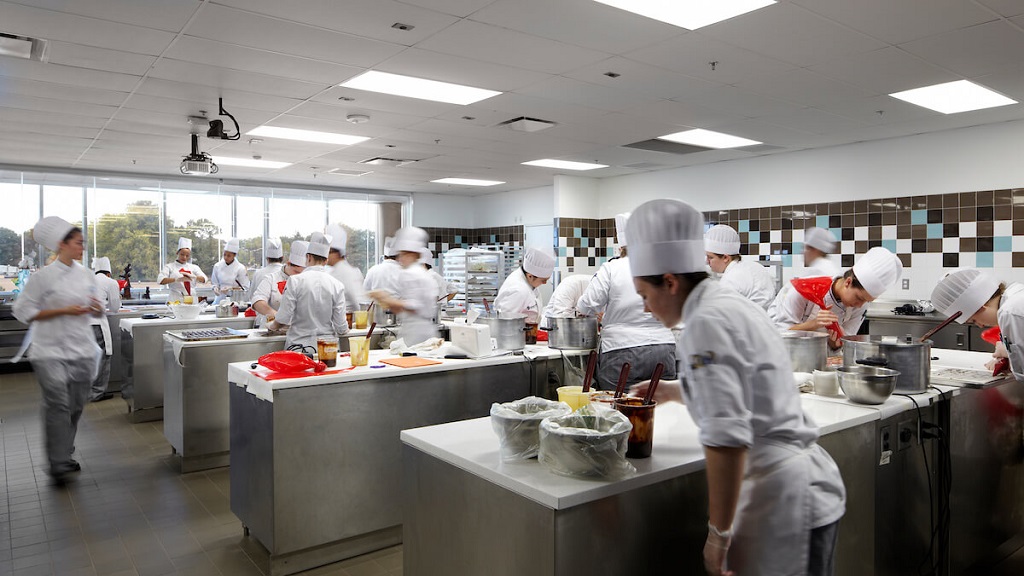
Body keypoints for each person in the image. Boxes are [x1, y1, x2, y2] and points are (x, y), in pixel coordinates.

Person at [626, 199, 845, 576]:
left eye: (645, 296)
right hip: (796, 490)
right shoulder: (722, 302)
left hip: (784, 500)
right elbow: (738, 388)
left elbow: (726, 438)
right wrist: (672, 391)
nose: (646, 308)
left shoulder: (705, 322)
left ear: (671, 282)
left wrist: (718, 535)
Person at [13, 217, 103, 483]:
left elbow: (96, 305)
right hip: (49, 350)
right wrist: (62, 310)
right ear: (62, 245)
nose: (82, 248)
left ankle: (64, 450)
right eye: (78, 243)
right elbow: (22, 310)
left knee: (75, 406)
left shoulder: (86, 275)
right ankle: (58, 462)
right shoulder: (43, 277)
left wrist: (96, 307)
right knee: (58, 405)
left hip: (81, 349)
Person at [576, 213, 676, 390]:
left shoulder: (612, 268)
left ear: (621, 244)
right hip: (663, 348)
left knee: (617, 409)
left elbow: (587, 305)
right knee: (660, 409)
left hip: (622, 350)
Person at [769, 247, 902, 350]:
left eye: (867, 301)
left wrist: (834, 344)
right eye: (859, 298)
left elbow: (844, 343)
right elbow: (776, 334)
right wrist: (813, 324)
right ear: (848, 282)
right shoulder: (803, 290)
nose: (860, 305)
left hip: (818, 361)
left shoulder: (860, 307)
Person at [930, 268, 1021, 378]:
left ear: (981, 307)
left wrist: (1009, 353)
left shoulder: (1009, 312)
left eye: (974, 320)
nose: (980, 325)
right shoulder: (1014, 294)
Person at [268, 234, 347, 351]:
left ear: (308, 257)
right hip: (327, 349)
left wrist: (271, 326)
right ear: (326, 261)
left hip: (299, 347)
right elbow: (341, 327)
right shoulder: (337, 285)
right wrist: (345, 329)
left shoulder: (295, 281)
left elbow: (283, 318)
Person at [367, 227, 440, 346]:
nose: (400, 259)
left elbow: (413, 305)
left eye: (403, 255)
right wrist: (388, 301)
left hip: (417, 332)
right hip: (417, 329)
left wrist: (385, 297)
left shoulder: (413, 273)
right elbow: (401, 308)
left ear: (413, 254)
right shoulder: (419, 272)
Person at [704, 224, 777, 310]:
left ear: (725, 258)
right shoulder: (752, 266)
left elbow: (722, 313)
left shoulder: (731, 280)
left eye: (710, 257)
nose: (707, 261)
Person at [88, 256, 122, 402]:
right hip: (96, 324)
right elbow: (115, 308)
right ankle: (97, 393)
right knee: (102, 358)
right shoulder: (110, 282)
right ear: (109, 272)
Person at [252, 241, 306, 329]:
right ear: (288, 263)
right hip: (272, 330)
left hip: (296, 331)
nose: (298, 276)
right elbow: (257, 301)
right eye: (296, 272)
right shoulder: (271, 278)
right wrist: (278, 317)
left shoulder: (304, 281)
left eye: (301, 273)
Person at [493, 247, 556, 321]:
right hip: (517, 332)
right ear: (530, 276)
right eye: (543, 280)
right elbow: (505, 322)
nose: (545, 283)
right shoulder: (518, 290)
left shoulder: (529, 282)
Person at [325, 224, 367, 314]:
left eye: (328, 252)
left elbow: (360, 303)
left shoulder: (347, 272)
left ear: (336, 253)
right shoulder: (332, 271)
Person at [158, 237, 207, 303]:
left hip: (191, 299)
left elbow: (204, 279)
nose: (184, 257)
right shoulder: (169, 267)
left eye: (187, 255)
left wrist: (194, 277)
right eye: (182, 254)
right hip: (175, 299)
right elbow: (160, 280)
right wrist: (176, 279)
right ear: (177, 253)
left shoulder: (194, 267)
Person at [210, 238, 249, 304]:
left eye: (229, 256)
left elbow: (245, 288)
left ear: (234, 255)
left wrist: (231, 289)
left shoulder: (240, 268)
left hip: (235, 301)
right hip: (220, 300)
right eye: (224, 254)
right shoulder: (217, 266)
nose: (226, 257)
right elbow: (214, 283)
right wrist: (215, 288)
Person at [247, 237, 284, 302]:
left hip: (261, 311)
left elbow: (251, 296)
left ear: (267, 258)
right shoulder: (287, 273)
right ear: (282, 257)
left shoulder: (258, 273)